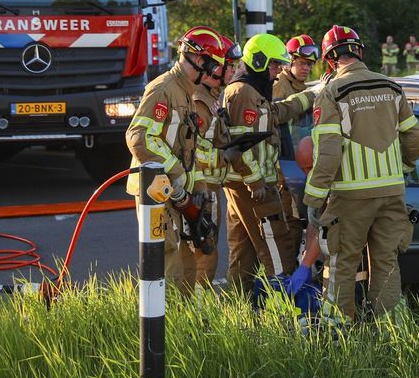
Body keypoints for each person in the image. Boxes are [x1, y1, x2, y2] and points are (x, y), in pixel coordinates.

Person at [301, 25, 419, 321]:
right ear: (359, 52)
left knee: (343, 261)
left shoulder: (331, 92)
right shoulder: (392, 87)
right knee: (386, 262)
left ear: (330, 60)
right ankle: (388, 327)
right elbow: (415, 138)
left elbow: (328, 153)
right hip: (393, 192)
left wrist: (314, 199)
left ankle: (338, 327)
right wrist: (403, 167)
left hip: (351, 196)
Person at [126, 26, 229, 291]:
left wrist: (199, 190)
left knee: (185, 266)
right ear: (196, 58)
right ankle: (162, 327)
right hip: (156, 191)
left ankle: (182, 324)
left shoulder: (185, 92)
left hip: (174, 193)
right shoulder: (163, 89)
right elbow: (139, 137)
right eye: (209, 65)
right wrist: (177, 175)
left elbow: (186, 149)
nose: (212, 73)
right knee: (167, 262)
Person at [222, 33, 316, 293]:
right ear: (259, 61)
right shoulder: (242, 92)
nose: (277, 71)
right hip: (253, 185)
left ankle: (240, 307)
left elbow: (277, 113)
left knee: (243, 251)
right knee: (277, 246)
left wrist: (310, 96)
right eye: (274, 64)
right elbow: (239, 145)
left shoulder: (254, 91)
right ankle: (286, 309)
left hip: (245, 183)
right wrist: (257, 181)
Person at [185, 36, 243, 289]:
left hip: (211, 186)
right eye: (230, 66)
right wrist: (224, 156)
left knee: (206, 250)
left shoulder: (212, 97)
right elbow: (192, 152)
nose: (234, 70)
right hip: (202, 188)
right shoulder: (199, 102)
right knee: (204, 252)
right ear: (215, 69)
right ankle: (197, 316)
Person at [274, 34, 320, 254]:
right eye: (301, 63)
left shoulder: (299, 86)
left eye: (309, 65)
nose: (306, 69)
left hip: (294, 162)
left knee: (295, 224)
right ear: (289, 62)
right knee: (288, 226)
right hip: (281, 167)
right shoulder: (279, 86)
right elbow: (277, 117)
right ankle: (285, 279)